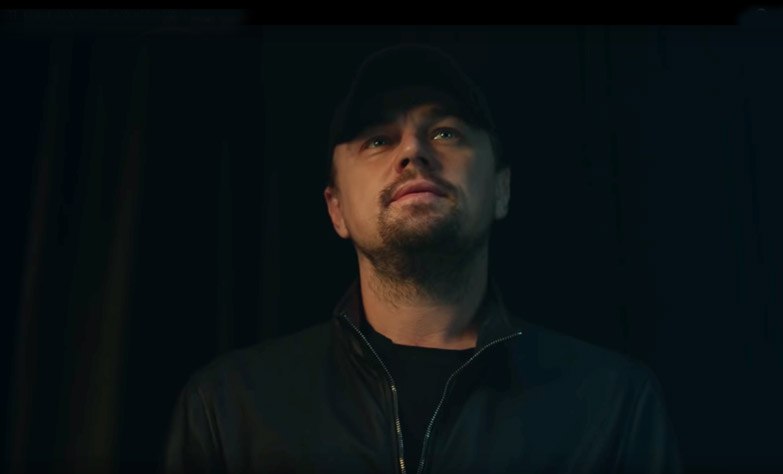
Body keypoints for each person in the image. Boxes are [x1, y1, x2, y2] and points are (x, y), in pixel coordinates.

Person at [163, 43, 684, 474]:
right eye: (377, 140)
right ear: (336, 209)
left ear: (501, 190)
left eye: (445, 132)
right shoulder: (228, 407)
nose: (413, 151)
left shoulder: (612, 404)